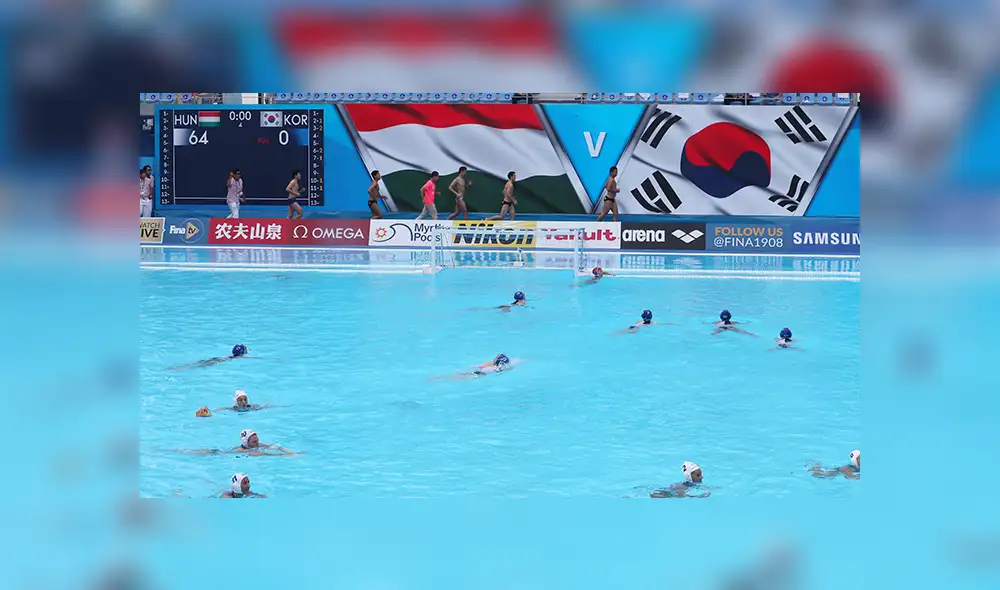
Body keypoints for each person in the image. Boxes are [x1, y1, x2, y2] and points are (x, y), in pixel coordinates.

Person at [176, 429, 303, 456]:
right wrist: (287, 455)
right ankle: (184, 451)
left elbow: (276, 447)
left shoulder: (256, 445)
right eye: (254, 441)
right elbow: (270, 454)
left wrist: (293, 452)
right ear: (246, 443)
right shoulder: (246, 451)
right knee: (211, 452)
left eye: (257, 440)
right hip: (222, 454)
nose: (258, 443)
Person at [431, 353, 521, 381]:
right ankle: (438, 378)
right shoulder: (503, 368)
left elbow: (486, 364)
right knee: (456, 377)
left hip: (479, 373)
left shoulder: (490, 366)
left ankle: (438, 377)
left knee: (456, 376)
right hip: (481, 374)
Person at [168, 344, 249, 370]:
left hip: (215, 359)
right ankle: (179, 368)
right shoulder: (238, 357)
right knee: (195, 366)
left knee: (195, 364)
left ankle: (178, 367)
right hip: (215, 361)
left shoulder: (229, 356)